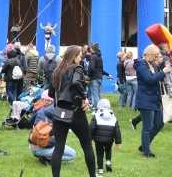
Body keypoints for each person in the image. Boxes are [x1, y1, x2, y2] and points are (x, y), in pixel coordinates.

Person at [49, 45, 96, 177]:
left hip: (59, 112)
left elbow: (51, 93)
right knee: (87, 145)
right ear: (74, 57)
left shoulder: (57, 71)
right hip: (76, 112)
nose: (81, 57)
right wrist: (85, 97)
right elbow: (76, 83)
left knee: (58, 147)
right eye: (80, 55)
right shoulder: (77, 68)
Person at [135, 44, 172, 157]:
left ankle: (144, 145)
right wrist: (164, 71)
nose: (158, 58)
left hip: (155, 100)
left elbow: (159, 75)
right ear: (152, 55)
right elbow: (149, 80)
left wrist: (167, 65)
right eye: (157, 56)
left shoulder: (153, 65)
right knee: (147, 127)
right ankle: (146, 152)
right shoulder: (141, 65)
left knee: (159, 123)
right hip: (145, 100)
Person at [90, 98, 122, 174]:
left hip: (98, 139)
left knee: (99, 153)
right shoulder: (113, 115)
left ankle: (100, 169)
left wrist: (89, 138)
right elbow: (117, 130)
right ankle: (108, 162)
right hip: (109, 139)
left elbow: (92, 127)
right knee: (108, 150)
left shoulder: (96, 115)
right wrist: (118, 142)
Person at [87, 43, 110, 110]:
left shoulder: (93, 57)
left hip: (94, 78)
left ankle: (96, 109)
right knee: (99, 94)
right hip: (100, 78)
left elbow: (91, 68)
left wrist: (89, 75)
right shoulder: (100, 57)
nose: (90, 49)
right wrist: (107, 74)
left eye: (91, 48)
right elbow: (101, 69)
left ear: (92, 49)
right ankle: (101, 108)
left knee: (95, 95)